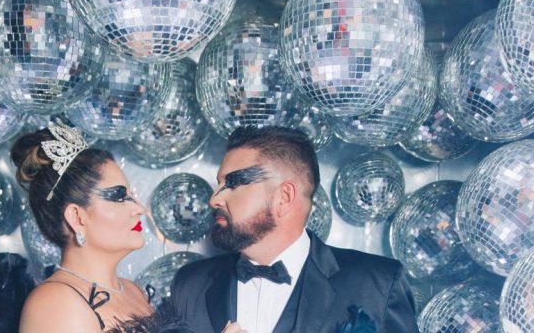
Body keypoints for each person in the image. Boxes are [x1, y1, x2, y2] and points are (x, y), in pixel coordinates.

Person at [170, 126, 419, 333]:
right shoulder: (190, 284)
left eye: (232, 184)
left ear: (284, 197)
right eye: (219, 184)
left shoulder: (378, 284)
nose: (214, 199)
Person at [13, 121, 154, 332]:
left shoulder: (135, 291)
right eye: (119, 196)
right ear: (77, 217)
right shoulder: (55, 303)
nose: (139, 209)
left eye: (132, 195)